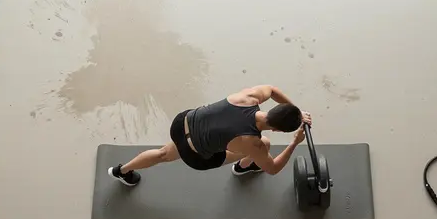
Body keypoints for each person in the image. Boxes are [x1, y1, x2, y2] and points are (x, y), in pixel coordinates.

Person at [108, 85, 312, 187]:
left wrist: (296, 110)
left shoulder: (248, 98)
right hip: (195, 154)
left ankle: (121, 170)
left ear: (276, 108)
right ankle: (242, 168)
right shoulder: (253, 143)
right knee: (265, 144)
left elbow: (273, 89)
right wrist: (295, 142)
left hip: (182, 124)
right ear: (277, 130)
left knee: (164, 153)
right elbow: (273, 168)